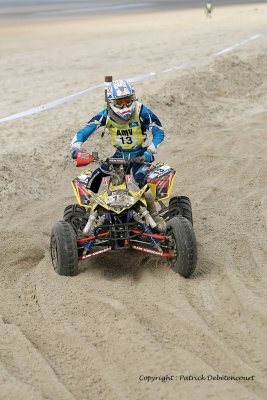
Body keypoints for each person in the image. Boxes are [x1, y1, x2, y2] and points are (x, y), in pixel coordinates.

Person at [70, 79, 166, 231]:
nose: (125, 106)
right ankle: (92, 216)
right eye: (120, 102)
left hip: (139, 156)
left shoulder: (142, 111)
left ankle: (155, 216)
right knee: (93, 181)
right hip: (118, 156)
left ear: (133, 98)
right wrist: (75, 148)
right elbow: (85, 131)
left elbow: (159, 132)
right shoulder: (105, 114)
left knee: (143, 184)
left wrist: (151, 151)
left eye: (128, 101)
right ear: (112, 102)